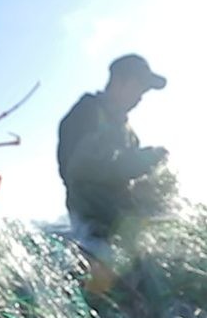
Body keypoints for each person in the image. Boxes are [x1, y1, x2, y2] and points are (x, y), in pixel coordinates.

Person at [57, 54, 172, 246]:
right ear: (118, 81)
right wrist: (141, 161)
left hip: (121, 225)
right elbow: (81, 168)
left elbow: (124, 175)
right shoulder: (86, 112)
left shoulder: (128, 132)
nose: (141, 96)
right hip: (94, 230)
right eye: (139, 87)